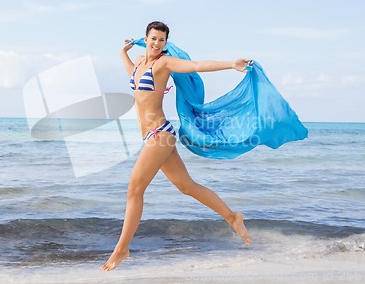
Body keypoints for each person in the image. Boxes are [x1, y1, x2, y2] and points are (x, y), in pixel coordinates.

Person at [100, 21, 251, 272]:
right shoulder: (139, 62)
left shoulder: (164, 64)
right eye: (153, 39)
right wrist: (122, 53)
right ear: (146, 38)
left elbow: (196, 66)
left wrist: (230, 64)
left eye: (162, 40)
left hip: (160, 135)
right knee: (186, 186)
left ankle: (121, 249)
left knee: (134, 190)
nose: (157, 44)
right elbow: (134, 78)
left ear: (166, 43)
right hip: (154, 136)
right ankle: (232, 216)